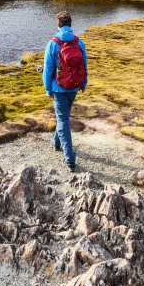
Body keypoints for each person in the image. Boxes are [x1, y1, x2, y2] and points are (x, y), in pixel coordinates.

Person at [42, 10, 87, 172]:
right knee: (63, 118)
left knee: (63, 120)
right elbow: (85, 65)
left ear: (58, 24)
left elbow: (48, 70)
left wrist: (48, 88)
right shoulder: (79, 42)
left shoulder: (53, 43)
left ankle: (69, 158)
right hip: (74, 87)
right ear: (70, 24)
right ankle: (56, 143)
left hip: (59, 89)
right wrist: (83, 84)